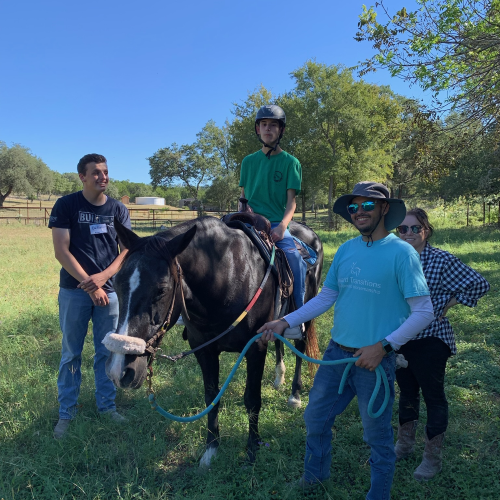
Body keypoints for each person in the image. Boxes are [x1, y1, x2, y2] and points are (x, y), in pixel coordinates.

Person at [258, 182, 435, 499]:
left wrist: (383, 347)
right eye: (353, 207)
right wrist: (286, 320)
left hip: (375, 363)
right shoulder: (348, 250)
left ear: (384, 209)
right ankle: (313, 478)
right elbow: (326, 297)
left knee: (377, 437)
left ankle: (378, 494)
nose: (359, 213)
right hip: (336, 355)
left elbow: (423, 311)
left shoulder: (402, 253)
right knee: (315, 418)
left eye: (367, 206)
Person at [394, 208, 490, 480]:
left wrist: (449, 302)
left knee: (433, 396)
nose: (409, 233)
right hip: (401, 337)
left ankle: (432, 459)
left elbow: (479, 284)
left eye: (415, 228)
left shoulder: (441, 260)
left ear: (426, 230)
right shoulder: (395, 258)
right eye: (403, 229)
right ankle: (404, 444)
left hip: (431, 337)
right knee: (406, 393)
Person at [48, 154, 131, 439]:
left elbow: (126, 250)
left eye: (105, 171)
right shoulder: (67, 205)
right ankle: (66, 413)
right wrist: (90, 284)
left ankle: (107, 407)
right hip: (74, 292)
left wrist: (105, 279)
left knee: (107, 352)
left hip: (111, 294)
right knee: (71, 353)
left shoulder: (118, 210)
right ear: (82, 177)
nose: (103, 177)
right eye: (96, 172)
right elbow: (61, 251)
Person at [239, 104, 307, 309]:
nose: (268, 129)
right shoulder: (248, 162)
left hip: (275, 223)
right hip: (249, 221)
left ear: (281, 130)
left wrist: (282, 227)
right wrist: (239, 215)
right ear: (257, 129)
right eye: (263, 124)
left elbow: (291, 202)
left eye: (273, 125)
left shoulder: (290, 163)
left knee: (295, 259)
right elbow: (243, 198)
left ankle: (298, 311)